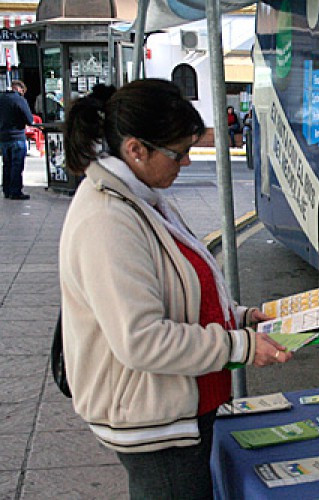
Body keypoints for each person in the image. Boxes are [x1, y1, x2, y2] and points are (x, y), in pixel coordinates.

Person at [60, 79, 293, 499]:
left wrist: (239, 318)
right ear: (136, 149)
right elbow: (141, 340)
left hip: (179, 406)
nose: (186, 162)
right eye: (179, 153)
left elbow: (179, 290)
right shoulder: (108, 218)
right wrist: (239, 346)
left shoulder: (140, 196)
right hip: (152, 421)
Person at [1, 79, 34, 199]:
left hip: (3, 137)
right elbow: (29, 119)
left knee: (6, 164)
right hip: (17, 136)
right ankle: (15, 191)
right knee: (17, 164)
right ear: (19, 89)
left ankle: (6, 190)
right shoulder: (19, 100)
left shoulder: (1, 98)